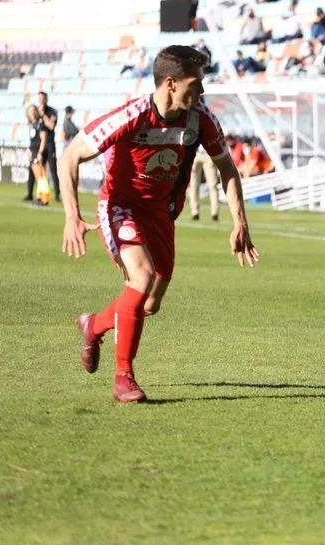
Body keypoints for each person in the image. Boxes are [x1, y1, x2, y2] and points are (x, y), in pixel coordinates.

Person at [59, 45, 259, 403]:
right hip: (120, 207)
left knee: (148, 303)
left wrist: (239, 222)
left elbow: (227, 167)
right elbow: (71, 156)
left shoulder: (201, 118)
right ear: (170, 83)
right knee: (142, 278)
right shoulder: (130, 116)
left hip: (163, 214)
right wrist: (72, 215)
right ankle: (124, 378)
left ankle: (94, 324)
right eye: (195, 84)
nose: (201, 92)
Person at [24, 105, 49, 202]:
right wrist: (29, 150)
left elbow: (43, 139)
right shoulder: (32, 125)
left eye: (33, 111)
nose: (31, 113)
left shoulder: (40, 125)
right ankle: (40, 196)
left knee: (40, 176)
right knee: (37, 175)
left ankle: (42, 198)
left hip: (38, 151)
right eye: (29, 111)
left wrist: (40, 152)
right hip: (33, 151)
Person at [38, 91, 60, 202]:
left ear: (46, 99)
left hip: (49, 143)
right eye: (39, 99)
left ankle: (57, 194)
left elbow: (51, 126)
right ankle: (38, 193)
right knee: (39, 168)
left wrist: (43, 115)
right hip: (38, 143)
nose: (41, 101)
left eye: (42, 98)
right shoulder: (35, 111)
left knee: (53, 168)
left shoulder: (52, 111)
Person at [189, 146, 220, 221]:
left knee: (213, 185)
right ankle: (194, 212)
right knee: (193, 186)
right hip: (195, 153)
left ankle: (214, 213)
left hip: (208, 154)